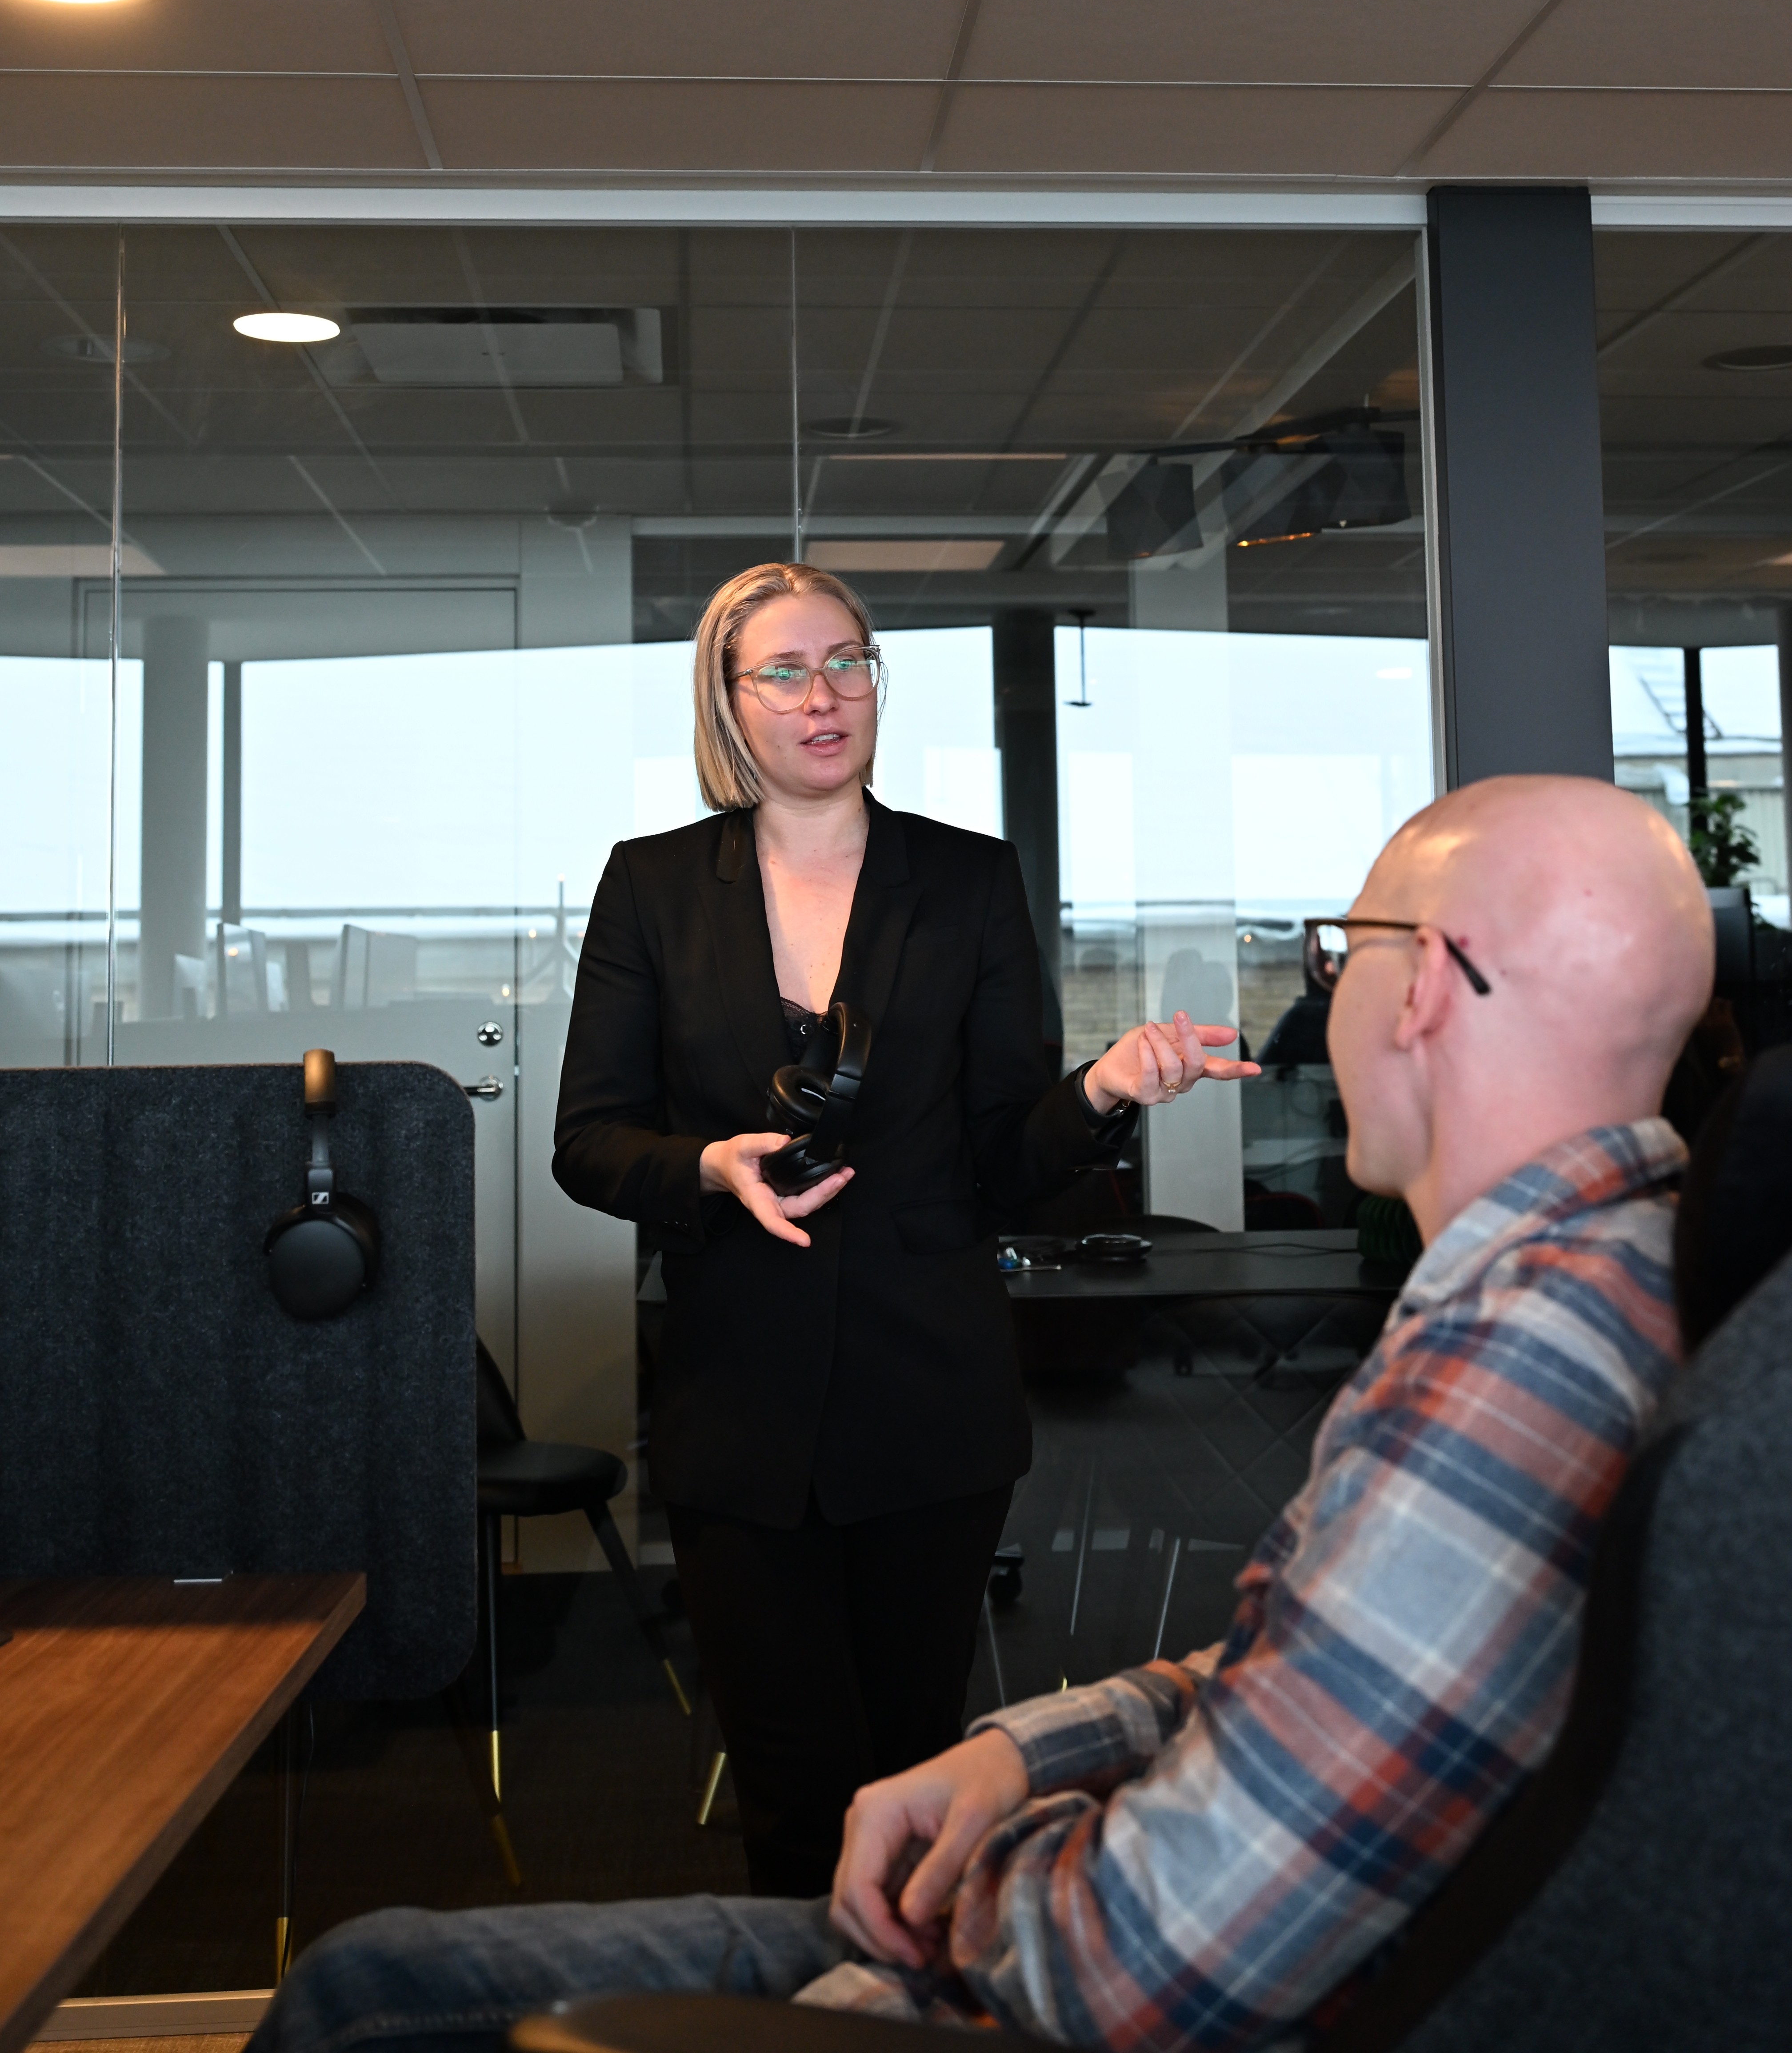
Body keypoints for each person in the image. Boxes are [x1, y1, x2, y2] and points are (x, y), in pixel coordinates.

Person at [250, 770, 1712, 2053]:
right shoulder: (1628, 1297)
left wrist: (979, 1864)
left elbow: (1140, 1960)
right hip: (764, 1438)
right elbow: (1327, 1678)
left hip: (1003, 1976)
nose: (1325, 997)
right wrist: (1032, 1749)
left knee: (363, 1992)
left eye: (1344, 951)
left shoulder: (1495, 1381)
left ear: (1428, 986)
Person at [549, 560, 1256, 1897]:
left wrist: (1104, 1091)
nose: (824, 697)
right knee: (790, 1794)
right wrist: (710, 1168)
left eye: (848, 664)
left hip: (930, 1401)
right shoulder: (652, 885)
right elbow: (588, 1142)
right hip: (739, 1406)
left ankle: (918, 1995)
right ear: (730, 701)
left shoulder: (969, 880)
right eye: (785, 673)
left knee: (918, 1777)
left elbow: (1004, 1164)